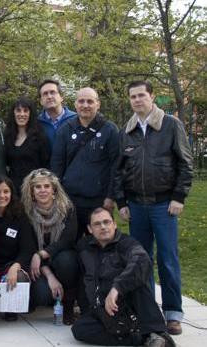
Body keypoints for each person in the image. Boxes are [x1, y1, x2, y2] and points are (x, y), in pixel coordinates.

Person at [114, 80, 193, 336]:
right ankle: (148, 312)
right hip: (136, 206)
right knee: (141, 260)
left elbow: (185, 163)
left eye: (141, 95)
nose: (137, 100)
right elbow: (119, 171)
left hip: (164, 205)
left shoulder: (171, 125)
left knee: (167, 259)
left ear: (152, 97)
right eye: (132, 97)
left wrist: (179, 197)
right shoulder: (126, 130)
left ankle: (172, 313)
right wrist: (122, 202)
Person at [72, 208, 176, 347]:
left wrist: (117, 288)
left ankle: (157, 333)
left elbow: (142, 261)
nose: (103, 227)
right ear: (90, 229)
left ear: (114, 224)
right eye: (97, 224)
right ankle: (141, 339)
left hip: (125, 300)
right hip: (101, 307)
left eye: (106, 222)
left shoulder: (127, 243)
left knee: (138, 281)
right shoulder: (84, 247)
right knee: (79, 329)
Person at [51, 87, 119, 238]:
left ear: (98, 104)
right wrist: (57, 196)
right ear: (75, 104)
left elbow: (117, 166)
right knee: (70, 243)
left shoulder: (110, 130)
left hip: (99, 200)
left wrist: (111, 196)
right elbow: (57, 165)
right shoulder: (65, 130)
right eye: (81, 101)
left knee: (100, 242)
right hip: (70, 200)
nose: (85, 105)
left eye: (90, 101)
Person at [21, 168, 79, 325]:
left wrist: (41, 254)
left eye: (46, 186)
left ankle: (68, 305)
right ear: (32, 191)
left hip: (61, 257)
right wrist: (50, 276)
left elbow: (67, 240)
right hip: (40, 266)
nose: (42, 191)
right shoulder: (26, 212)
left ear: (54, 189)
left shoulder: (67, 209)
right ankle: (52, 297)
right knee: (42, 295)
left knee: (67, 260)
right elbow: (29, 246)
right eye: (38, 187)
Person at [0, 175, 36, 320]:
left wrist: (16, 266)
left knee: (19, 276)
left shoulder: (20, 216)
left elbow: (27, 248)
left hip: (9, 266)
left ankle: (11, 308)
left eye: (6, 192)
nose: (2, 196)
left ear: (11, 194)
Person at [4, 97, 50, 190]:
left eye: (25, 111)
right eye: (18, 110)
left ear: (31, 114)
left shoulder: (39, 137)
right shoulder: (7, 136)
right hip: (13, 190)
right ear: (13, 113)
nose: (22, 114)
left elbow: (46, 166)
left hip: (33, 189)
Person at [37, 79, 77, 153]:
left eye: (52, 92)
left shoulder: (76, 119)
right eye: (45, 94)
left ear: (61, 97)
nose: (49, 96)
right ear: (41, 101)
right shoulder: (36, 124)